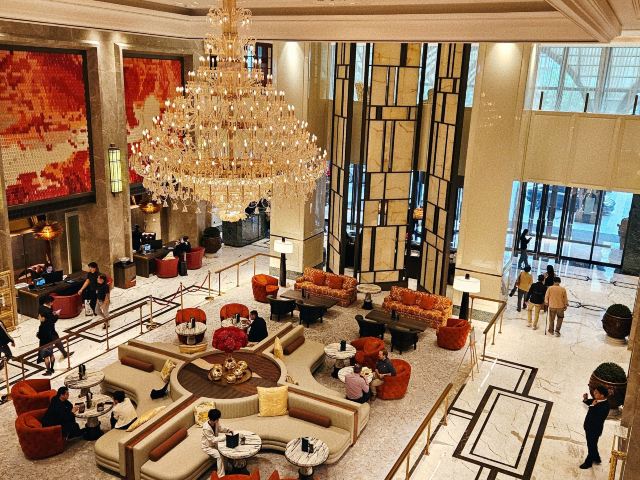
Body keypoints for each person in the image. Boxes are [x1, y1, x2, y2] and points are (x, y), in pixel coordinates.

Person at [580, 385, 610, 469]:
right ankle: (596, 458)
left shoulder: (605, 406)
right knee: (592, 444)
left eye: (596, 393)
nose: (594, 393)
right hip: (588, 427)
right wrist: (586, 399)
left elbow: (595, 416)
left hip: (594, 430)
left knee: (591, 446)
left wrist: (592, 406)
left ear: (602, 395)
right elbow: (590, 402)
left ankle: (588, 462)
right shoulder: (597, 399)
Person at [39, 295, 73, 359]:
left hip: (44, 328)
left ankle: (64, 353)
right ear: (49, 302)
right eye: (52, 302)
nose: (52, 303)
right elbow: (53, 320)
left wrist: (52, 314)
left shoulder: (41, 307)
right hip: (49, 329)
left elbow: (45, 317)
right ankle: (62, 354)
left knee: (55, 341)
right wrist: (57, 315)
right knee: (52, 343)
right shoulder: (47, 310)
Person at [201, 408, 229, 478]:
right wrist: (225, 437)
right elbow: (212, 440)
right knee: (218, 455)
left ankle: (226, 468)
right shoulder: (206, 428)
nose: (218, 420)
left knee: (224, 451)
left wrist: (228, 430)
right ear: (215, 420)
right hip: (208, 447)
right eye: (218, 419)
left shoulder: (215, 422)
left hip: (215, 444)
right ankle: (221, 476)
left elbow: (220, 428)